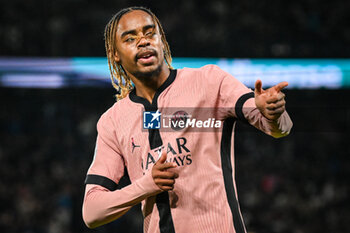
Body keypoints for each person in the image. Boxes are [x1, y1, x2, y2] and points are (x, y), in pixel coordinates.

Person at [82, 6, 293, 233]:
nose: (143, 41)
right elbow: (92, 212)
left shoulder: (209, 82)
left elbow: (280, 128)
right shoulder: (113, 121)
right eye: (130, 38)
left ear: (161, 39)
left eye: (149, 32)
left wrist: (273, 112)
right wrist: (146, 186)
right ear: (115, 53)